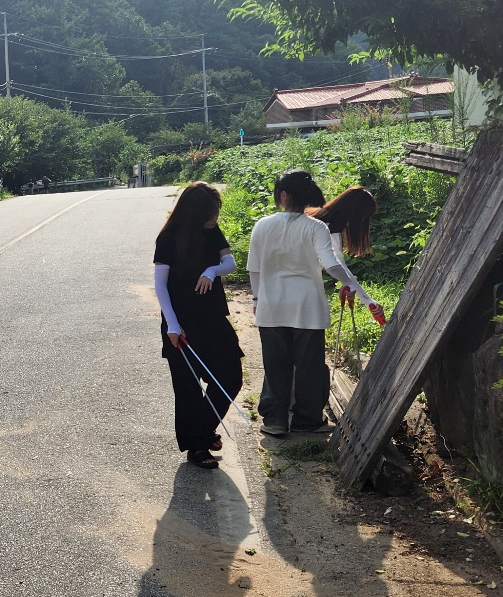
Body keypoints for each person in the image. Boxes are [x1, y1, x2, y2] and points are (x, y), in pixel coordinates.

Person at [248, 170, 383, 439]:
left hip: (271, 306)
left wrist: (256, 298)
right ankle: (307, 421)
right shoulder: (316, 228)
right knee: (309, 366)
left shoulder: (262, 225)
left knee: (275, 365)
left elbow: (254, 268)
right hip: (306, 308)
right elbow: (332, 265)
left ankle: (275, 420)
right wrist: (353, 287)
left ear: (283, 196)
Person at [152, 183, 243, 470]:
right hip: (181, 323)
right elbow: (160, 285)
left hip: (213, 317)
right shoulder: (168, 239)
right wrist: (173, 324)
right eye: (211, 211)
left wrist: (212, 269)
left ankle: (201, 431)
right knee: (188, 388)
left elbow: (230, 263)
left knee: (230, 377)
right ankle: (197, 446)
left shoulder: (211, 232)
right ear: (195, 212)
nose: (216, 216)